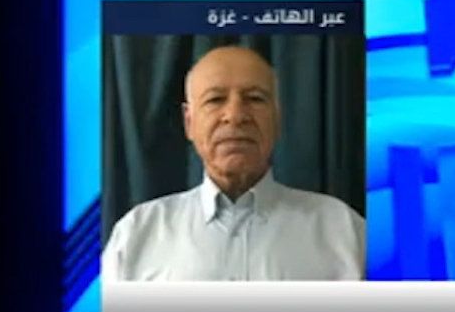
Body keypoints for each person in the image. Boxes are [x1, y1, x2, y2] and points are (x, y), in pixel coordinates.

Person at [102, 44, 364, 281]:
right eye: (215, 100)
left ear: (277, 118)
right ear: (189, 122)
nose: (236, 115)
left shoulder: (344, 231)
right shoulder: (136, 234)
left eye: (255, 98)